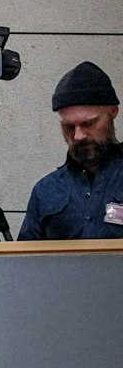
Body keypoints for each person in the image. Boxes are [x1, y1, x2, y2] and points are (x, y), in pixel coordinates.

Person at [18, 61, 123, 240]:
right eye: (68, 127)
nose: (78, 136)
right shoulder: (46, 190)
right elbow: (27, 264)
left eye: (88, 123)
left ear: (113, 112)